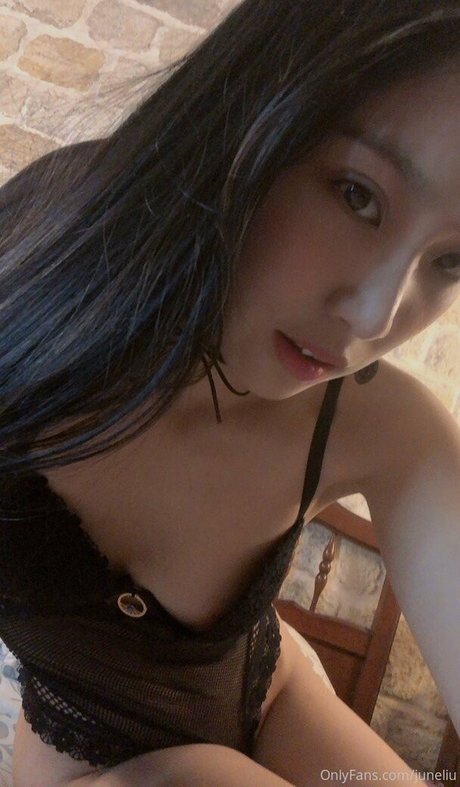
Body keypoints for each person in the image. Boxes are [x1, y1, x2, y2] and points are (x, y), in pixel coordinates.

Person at [1, 0, 459, 784]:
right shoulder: (41, 257)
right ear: (250, 113)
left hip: (275, 695)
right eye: (358, 194)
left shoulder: (385, 427)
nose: (376, 317)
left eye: (452, 262)